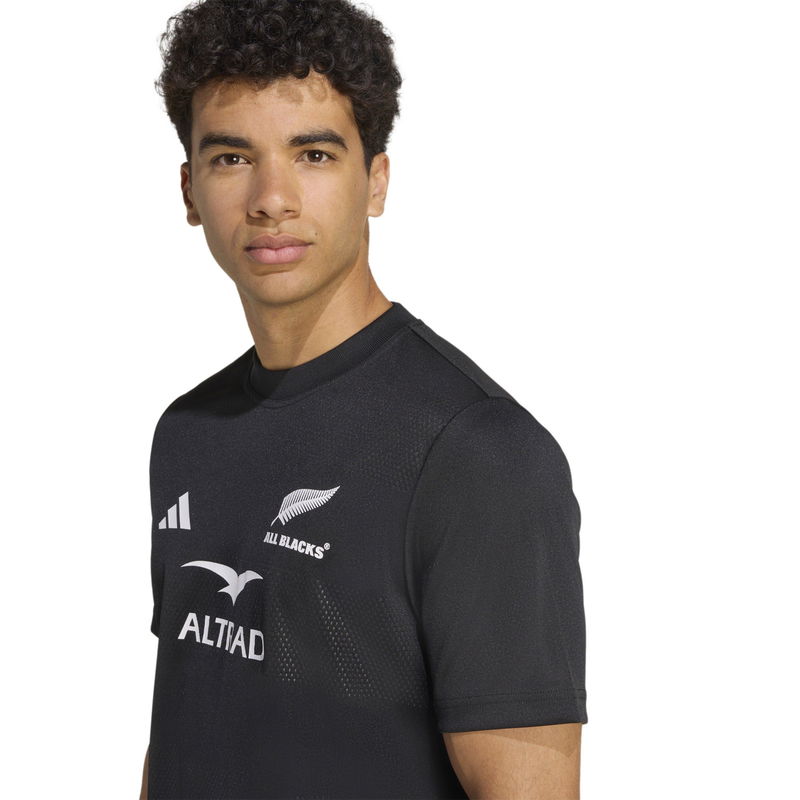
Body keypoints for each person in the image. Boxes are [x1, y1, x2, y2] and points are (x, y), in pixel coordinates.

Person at [141, 1, 588, 797]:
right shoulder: (188, 431)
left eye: (313, 154)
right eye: (232, 157)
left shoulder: (477, 454)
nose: (272, 199)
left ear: (375, 181)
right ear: (189, 190)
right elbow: (185, 730)